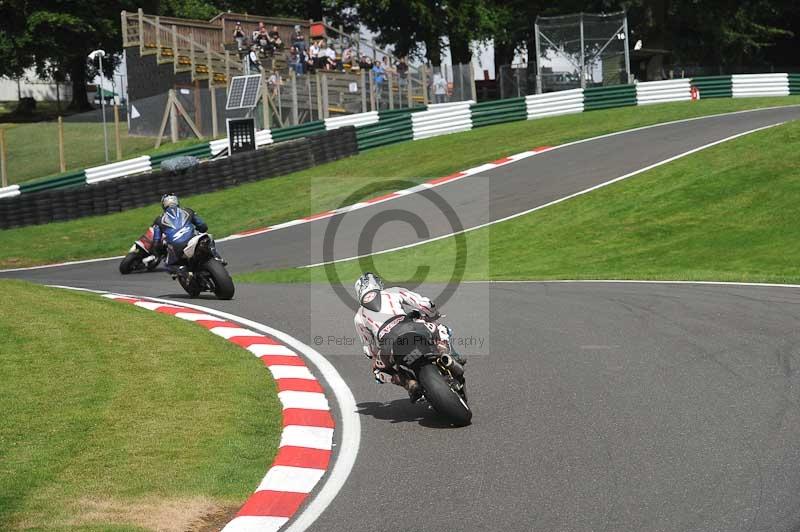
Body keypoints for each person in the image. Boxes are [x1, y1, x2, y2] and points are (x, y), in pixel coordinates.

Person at [353, 272, 464, 402]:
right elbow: (426, 304)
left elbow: (369, 350)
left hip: (389, 346)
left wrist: (378, 355)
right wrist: (433, 316)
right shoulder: (393, 292)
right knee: (441, 328)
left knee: (378, 372)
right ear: (377, 284)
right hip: (412, 328)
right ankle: (446, 355)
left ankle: (409, 384)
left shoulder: (358, 317)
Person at [151, 194, 213, 275]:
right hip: (193, 240)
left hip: (177, 247)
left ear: (163, 205)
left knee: (168, 265)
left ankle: (182, 270)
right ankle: (216, 257)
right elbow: (203, 226)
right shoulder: (188, 211)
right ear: (177, 202)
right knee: (208, 238)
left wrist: (158, 253)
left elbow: (156, 242)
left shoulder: (158, 220)